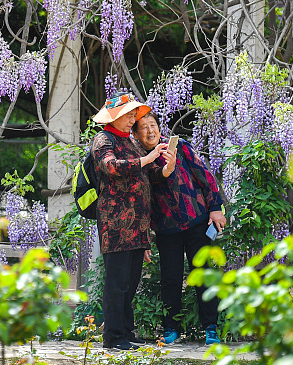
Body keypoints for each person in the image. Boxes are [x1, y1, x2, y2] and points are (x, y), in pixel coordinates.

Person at [90, 92, 176, 351]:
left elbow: (149, 173)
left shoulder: (130, 141)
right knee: (117, 282)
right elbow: (111, 167)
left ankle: (126, 331)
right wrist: (148, 158)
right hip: (115, 223)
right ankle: (113, 336)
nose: (132, 120)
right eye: (127, 115)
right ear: (113, 117)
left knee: (130, 281)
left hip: (138, 224)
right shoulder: (103, 140)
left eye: (132, 115)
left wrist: (165, 168)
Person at [134, 111, 225, 346]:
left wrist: (215, 207)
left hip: (196, 220)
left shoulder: (179, 146)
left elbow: (205, 175)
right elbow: (141, 203)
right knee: (170, 279)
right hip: (166, 228)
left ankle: (211, 328)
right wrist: (144, 237)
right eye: (143, 128)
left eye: (152, 125)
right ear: (135, 134)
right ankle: (171, 328)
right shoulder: (140, 160)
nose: (150, 131)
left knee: (203, 274)